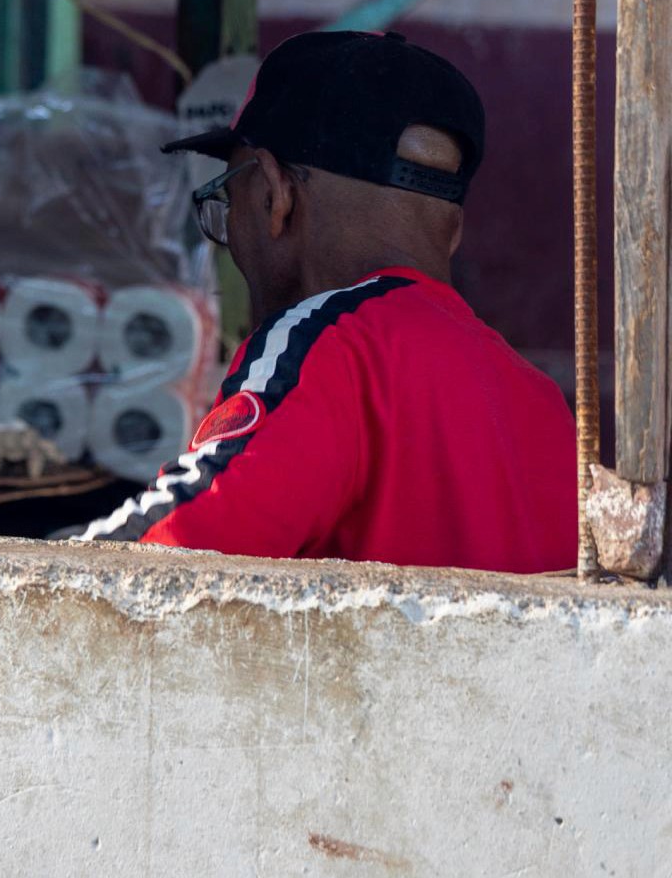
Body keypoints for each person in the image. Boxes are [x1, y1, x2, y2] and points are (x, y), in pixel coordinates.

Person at [80, 30, 574, 571]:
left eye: (228, 202)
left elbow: (162, 556)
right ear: (451, 231)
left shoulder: (329, 344)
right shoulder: (542, 399)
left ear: (275, 195)